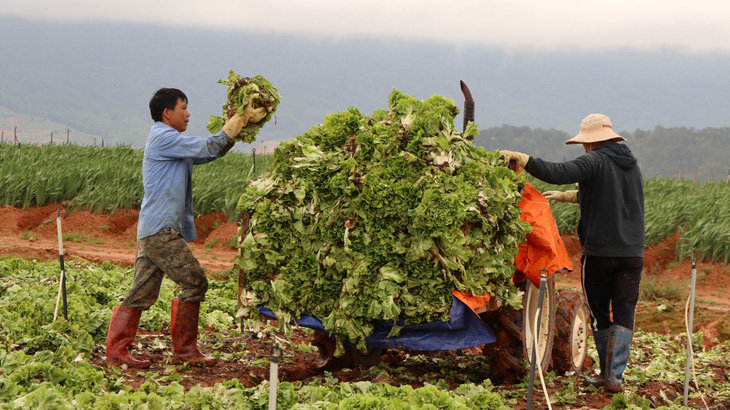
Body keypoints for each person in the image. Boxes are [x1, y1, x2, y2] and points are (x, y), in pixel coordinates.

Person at [106, 88, 266, 368]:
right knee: (195, 282)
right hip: (161, 230)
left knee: (142, 291)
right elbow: (208, 147)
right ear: (167, 113)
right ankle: (185, 351)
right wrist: (238, 120)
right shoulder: (164, 137)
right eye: (183, 107)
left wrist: (233, 128)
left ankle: (118, 353)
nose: (188, 113)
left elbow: (209, 153)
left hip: (153, 228)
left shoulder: (170, 140)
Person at [501, 113, 644, 393]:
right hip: (633, 253)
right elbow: (612, 193)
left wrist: (525, 159)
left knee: (600, 313)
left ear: (590, 143)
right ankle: (615, 376)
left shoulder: (594, 160)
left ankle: (606, 374)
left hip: (601, 253)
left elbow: (559, 172)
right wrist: (571, 196)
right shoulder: (631, 165)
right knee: (625, 312)